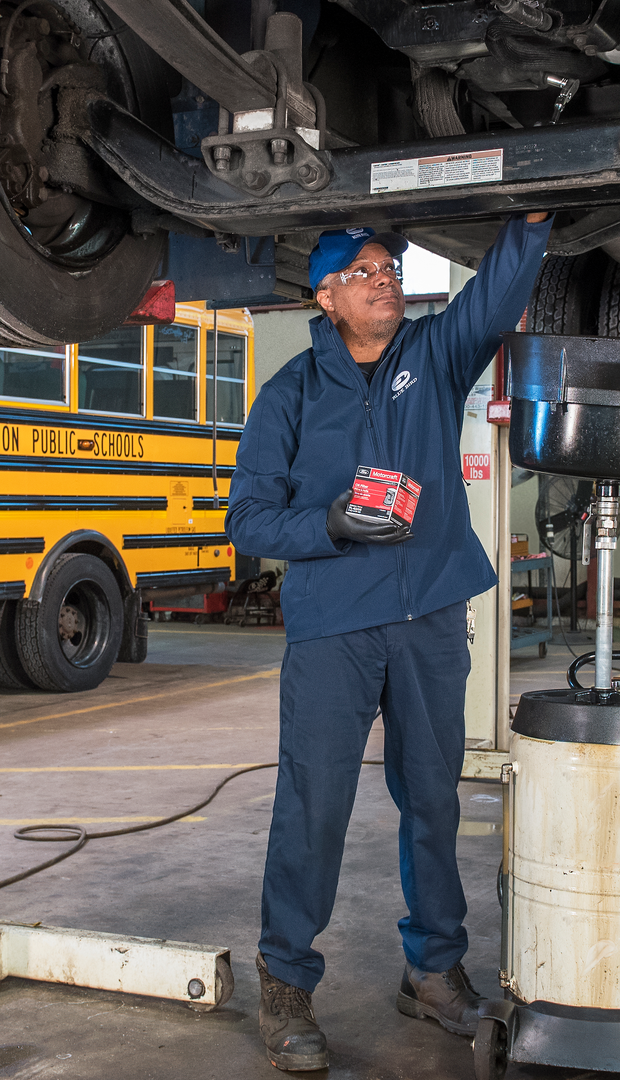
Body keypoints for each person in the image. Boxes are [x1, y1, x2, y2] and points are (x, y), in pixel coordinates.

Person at [225, 212, 552, 1071]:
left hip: (431, 616)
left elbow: (495, 299)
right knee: (314, 806)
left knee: (435, 801)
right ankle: (286, 982)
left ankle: (435, 969)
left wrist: (531, 224)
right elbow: (249, 518)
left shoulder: (434, 359)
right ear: (327, 296)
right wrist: (329, 524)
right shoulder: (290, 393)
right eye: (363, 270)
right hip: (334, 626)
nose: (384, 278)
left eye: (390, 268)